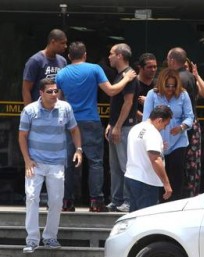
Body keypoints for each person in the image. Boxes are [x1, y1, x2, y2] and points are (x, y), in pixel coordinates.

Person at [55, 41, 136, 212]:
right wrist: (127, 78)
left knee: (68, 163)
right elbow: (112, 91)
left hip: (70, 121)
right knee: (95, 162)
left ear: (69, 56)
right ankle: (96, 201)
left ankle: (67, 201)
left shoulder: (61, 74)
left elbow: (60, 100)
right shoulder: (94, 69)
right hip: (90, 120)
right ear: (85, 55)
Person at [18, 78, 82, 253]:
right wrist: (27, 160)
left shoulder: (65, 108)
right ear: (41, 93)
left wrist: (79, 149)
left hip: (56, 163)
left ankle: (50, 237)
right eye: (50, 91)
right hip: (35, 163)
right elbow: (22, 136)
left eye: (56, 91)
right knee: (32, 198)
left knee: (55, 201)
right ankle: (32, 240)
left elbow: (74, 130)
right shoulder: (29, 110)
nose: (54, 94)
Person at [143, 68, 194, 202]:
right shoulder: (152, 94)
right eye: (167, 85)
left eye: (173, 85)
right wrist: (156, 139)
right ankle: (160, 202)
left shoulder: (183, 94)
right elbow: (146, 119)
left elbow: (189, 117)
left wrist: (182, 127)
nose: (170, 89)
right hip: (157, 140)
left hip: (178, 141)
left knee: (176, 172)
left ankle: (176, 202)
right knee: (159, 173)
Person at [167, 48, 204, 197]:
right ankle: (189, 194)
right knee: (190, 165)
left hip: (179, 127)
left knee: (177, 164)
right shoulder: (189, 78)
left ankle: (178, 197)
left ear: (172, 61)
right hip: (191, 124)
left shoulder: (179, 79)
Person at [105, 43, 139, 212]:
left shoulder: (130, 76)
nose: (109, 56)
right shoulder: (120, 76)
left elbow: (128, 103)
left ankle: (128, 201)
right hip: (116, 126)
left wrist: (118, 126)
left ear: (119, 55)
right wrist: (111, 124)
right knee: (115, 167)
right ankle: (116, 199)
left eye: (111, 53)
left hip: (125, 127)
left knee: (126, 165)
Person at [125, 105, 173, 212]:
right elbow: (155, 160)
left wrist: (159, 146)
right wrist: (166, 183)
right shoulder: (153, 133)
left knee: (134, 216)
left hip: (131, 177)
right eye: (165, 125)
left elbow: (140, 148)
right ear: (159, 120)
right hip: (146, 182)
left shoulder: (136, 128)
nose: (164, 128)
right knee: (144, 218)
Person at [22, 29, 67, 106]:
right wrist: (29, 112)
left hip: (58, 109)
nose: (65, 46)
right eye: (62, 43)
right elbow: (26, 89)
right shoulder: (35, 61)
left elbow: (63, 87)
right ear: (53, 42)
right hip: (40, 109)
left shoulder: (63, 61)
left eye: (66, 43)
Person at [136, 53, 158, 122]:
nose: (153, 70)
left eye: (155, 66)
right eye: (149, 67)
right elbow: (129, 107)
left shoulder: (158, 84)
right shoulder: (133, 84)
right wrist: (146, 119)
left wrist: (148, 102)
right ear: (140, 67)